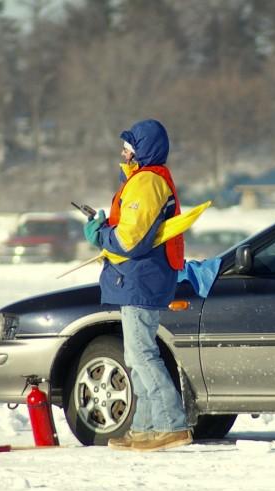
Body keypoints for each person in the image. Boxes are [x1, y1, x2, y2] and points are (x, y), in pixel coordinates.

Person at [83, 118, 192, 452]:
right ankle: (146, 427)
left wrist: (99, 234)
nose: (123, 151)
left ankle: (172, 424)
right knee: (136, 355)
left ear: (142, 150)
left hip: (142, 280)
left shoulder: (146, 183)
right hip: (139, 279)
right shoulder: (143, 180)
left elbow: (130, 239)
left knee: (142, 355)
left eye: (128, 146)